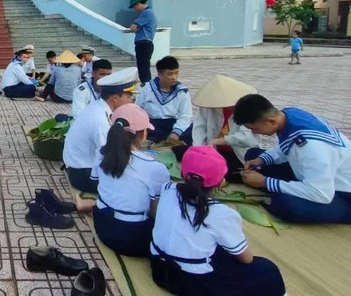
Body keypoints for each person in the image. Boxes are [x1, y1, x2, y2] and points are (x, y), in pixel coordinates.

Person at [149, 146, 285, 296]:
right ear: (221, 182)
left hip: (159, 268)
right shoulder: (221, 214)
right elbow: (247, 259)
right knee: (267, 270)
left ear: (182, 173)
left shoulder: (168, 189)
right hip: (191, 282)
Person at [233, 94, 351, 224]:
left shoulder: (312, 147)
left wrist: (265, 182)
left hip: (337, 191)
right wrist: (262, 160)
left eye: (254, 128)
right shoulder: (288, 115)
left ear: (271, 121)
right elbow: (286, 147)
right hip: (312, 174)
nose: (254, 132)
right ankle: (279, 187)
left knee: (285, 204)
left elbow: (320, 193)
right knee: (254, 155)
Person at [94, 103, 167, 257]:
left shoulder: (101, 153)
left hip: (102, 226)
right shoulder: (155, 168)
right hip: (132, 239)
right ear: (143, 135)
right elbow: (155, 212)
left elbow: (96, 181)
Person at [63, 67, 138, 196]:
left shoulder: (98, 108)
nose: (131, 100)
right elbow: (111, 155)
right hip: (83, 174)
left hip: (80, 166)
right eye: (128, 96)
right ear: (115, 98)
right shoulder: (101, 120)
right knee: (136, 185)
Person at [192, 75, 260, 177]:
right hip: (215, 151)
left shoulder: (246, 109)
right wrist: (199, 152)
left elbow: (248, 138)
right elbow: (199, 128)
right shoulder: (209, 106)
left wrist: (219, 141)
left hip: (239, 152)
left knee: (234, 172)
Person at [136, 56, 193, 147]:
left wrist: (176, 132)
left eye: (176, 73)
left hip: (173, 125)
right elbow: (137, 111)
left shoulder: (182, 92)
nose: (174, 77)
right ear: (160, 74)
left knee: (191, 131)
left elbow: (185, 116)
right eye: (170, 74)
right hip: (151, 126)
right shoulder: (146, 89)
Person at [128, 0, 157, 85]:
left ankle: (146, 85)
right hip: (145, 43)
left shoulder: (146, 13)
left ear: (138, 4)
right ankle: (145, 83)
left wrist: (136, 28)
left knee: (143, 66)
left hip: (143, 43)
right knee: (143, 66)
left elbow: (133, 27)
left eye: (134, 6)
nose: (134, 9)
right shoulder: (147, 13)